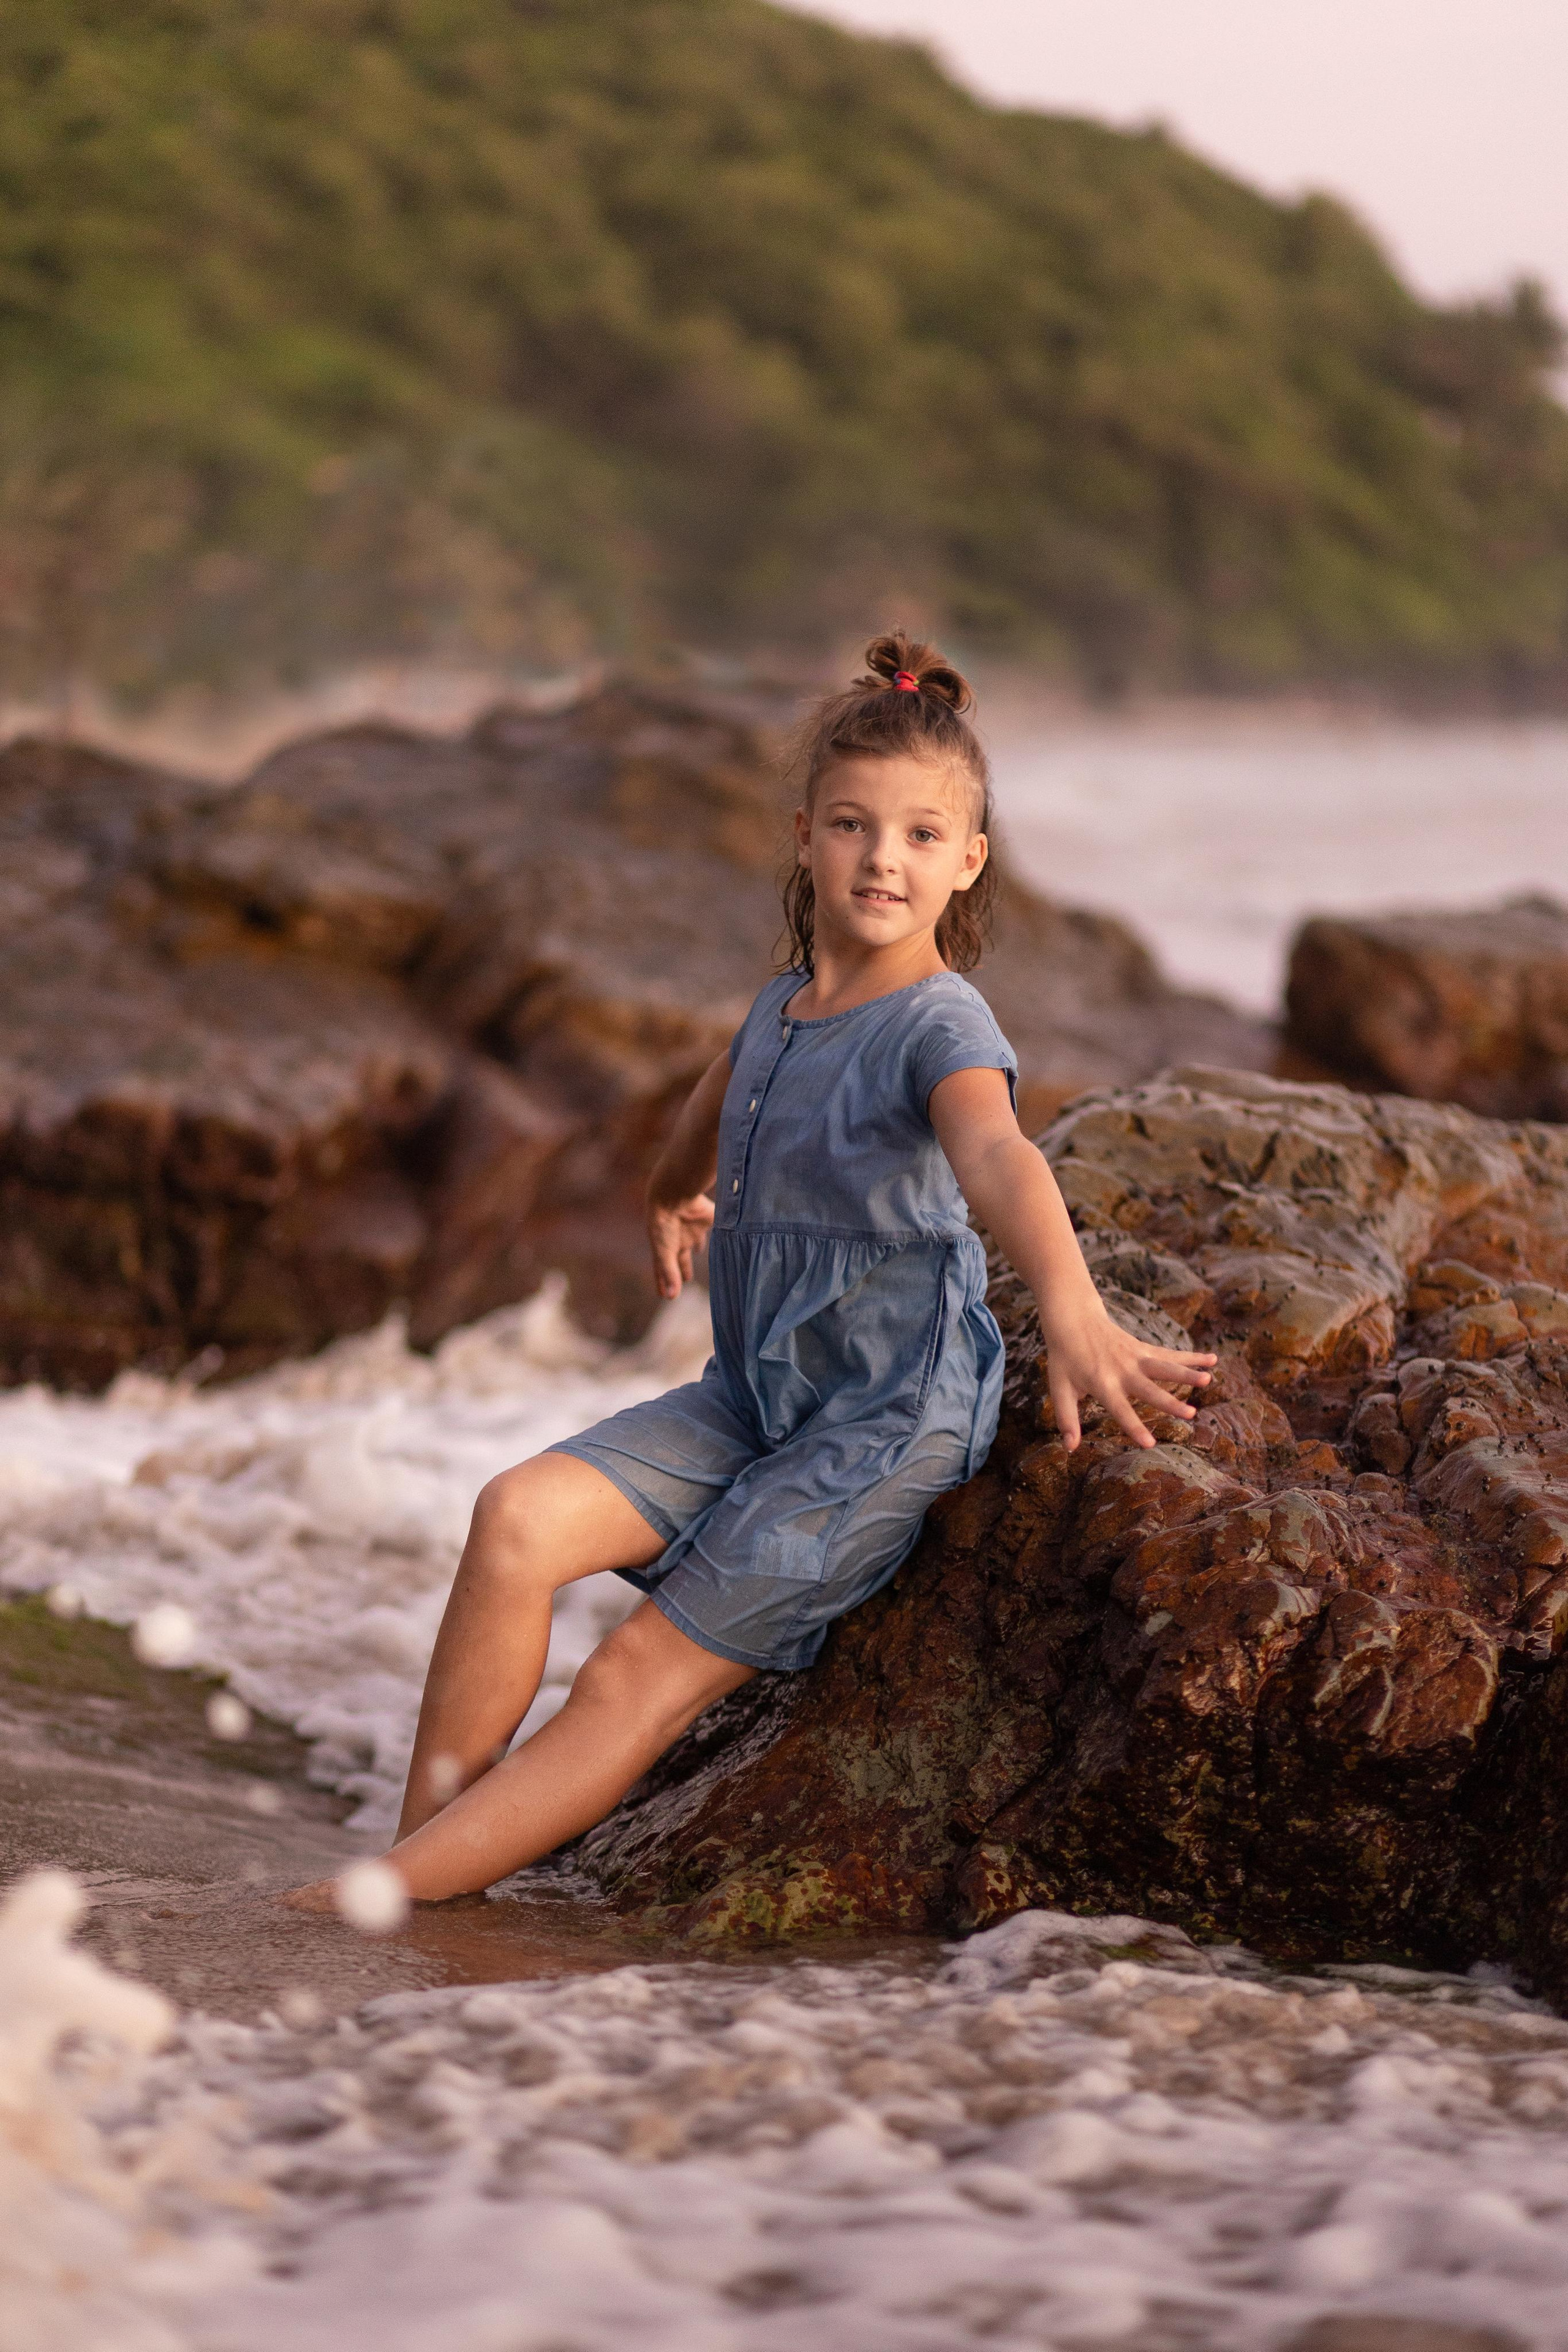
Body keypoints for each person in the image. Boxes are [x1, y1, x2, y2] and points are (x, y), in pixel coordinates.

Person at [285, 631, 1213, 1912]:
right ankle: (422, 1866)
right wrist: (675, 1192)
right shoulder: (781, 1005)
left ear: (968, 861)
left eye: (921, 835)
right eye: (853, 825)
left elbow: (998, 1154)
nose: (883, 858)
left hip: (878, 1423)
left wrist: (1073, 1311)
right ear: (803, 836)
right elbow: (705, 1113)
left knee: (624, 1677)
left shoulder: (941, 1023)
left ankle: (375, 1901)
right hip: (752, 1399)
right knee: (513, 1520)